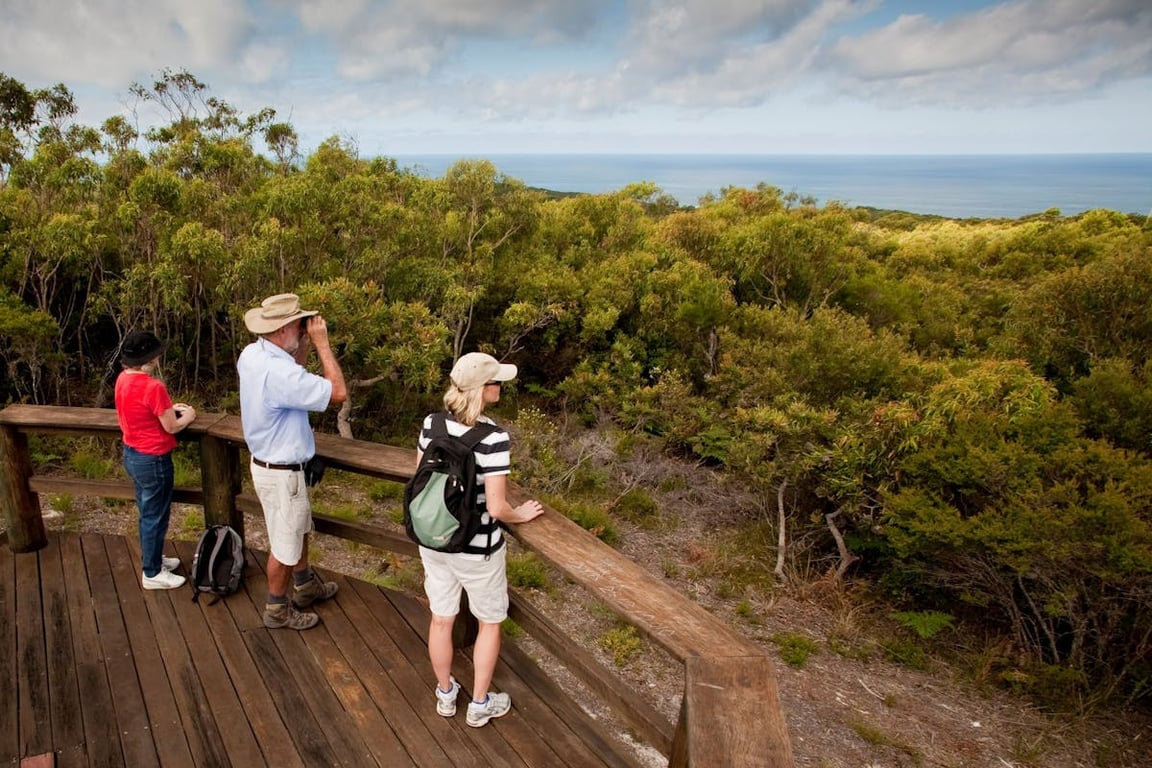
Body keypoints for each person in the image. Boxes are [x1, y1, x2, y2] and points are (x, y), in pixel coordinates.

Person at [418, 352, 544, 727]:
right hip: (478, 549)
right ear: (481, 390)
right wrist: (519, 515)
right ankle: (479, 703)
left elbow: (422, 481)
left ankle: (444, 694)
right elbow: (497, 505)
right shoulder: (494, 438)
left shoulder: (431, 424)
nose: (500, 387)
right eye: (496, 382)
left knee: (441, 620)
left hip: (434, 541)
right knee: (489, 623)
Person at [238, 293, 347, 630]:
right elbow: (337, 392)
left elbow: (293, 373)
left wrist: (301, 344)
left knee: (297, 530)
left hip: (269, 466)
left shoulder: (253, 354)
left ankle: (304, 585)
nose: (304, 330)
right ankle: (277, 610)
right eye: (299, 326)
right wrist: (321, 344)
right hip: (282, 474)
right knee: (284, 545)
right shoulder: (278, 373)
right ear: (283, 328)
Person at [114, 330, 198, 590]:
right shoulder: (153, 386)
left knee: (147, 512)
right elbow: (172, 427)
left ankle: (154, 560)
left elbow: (142, 412)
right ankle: (151, 573)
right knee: (155, 516)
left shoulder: (122, 380)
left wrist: (169, 412)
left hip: (132, 453)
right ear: (152, 358)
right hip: (153, 458)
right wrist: (190, 415)